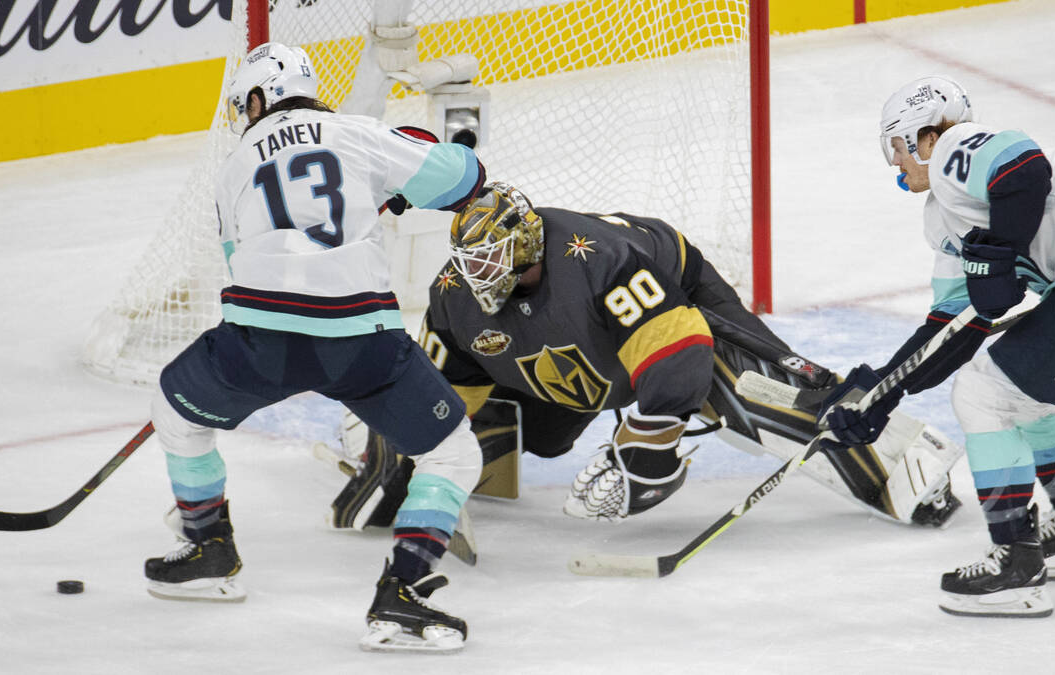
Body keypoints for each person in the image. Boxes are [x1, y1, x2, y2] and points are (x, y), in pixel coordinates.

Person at [330, 181, 963, 531]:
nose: (478, 274)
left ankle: (901, 466)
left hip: (675, 283)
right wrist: (397, 457)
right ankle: (496, 445)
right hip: (583, 343)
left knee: (746, 390)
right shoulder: (455, 298)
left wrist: (646, 443)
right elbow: (432, 389)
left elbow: (680, 356)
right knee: (545, 433)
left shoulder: (597, 261)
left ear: (524, 246)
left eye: (490, 259)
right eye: (470, 262)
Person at [144, 42, 486, 653]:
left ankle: (207, 547)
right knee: (453, 454)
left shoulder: (232, 167)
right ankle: (401, 595)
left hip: (261, 341)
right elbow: (466, 179)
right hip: (363, 338)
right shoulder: (356, 133)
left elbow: (236, 264)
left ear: (256, 100)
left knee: (176, 410)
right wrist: (413, 168)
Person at [819, 76, 1055, 618]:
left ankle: (1014, 564)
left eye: (897, 146)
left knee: (986, 397)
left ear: (922, 134)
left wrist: (998, 252)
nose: (897, 163)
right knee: (1020, 392)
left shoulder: (954, 147)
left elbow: (1023, 168)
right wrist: (883, 394)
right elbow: (951, 327)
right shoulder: (947, 215)